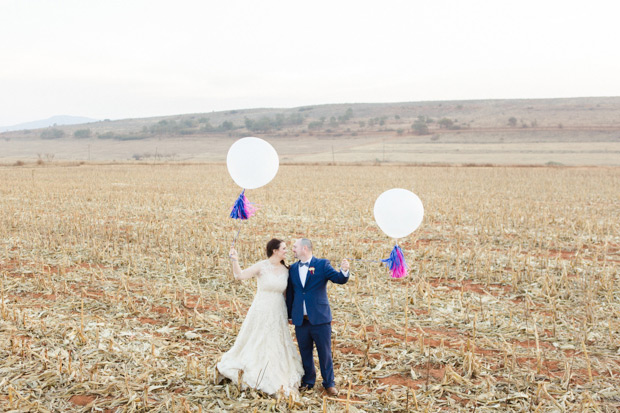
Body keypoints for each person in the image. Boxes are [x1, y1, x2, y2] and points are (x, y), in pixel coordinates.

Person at [216, 239, 303, 396]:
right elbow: (239, 276)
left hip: (278, 310)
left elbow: (286, 294)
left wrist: (290, 314)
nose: (286, 251)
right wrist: (235, 260)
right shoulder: (262, 266)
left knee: (276, 340)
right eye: (284, 248)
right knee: (258, 338)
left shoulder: (286, 270)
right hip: (261, 308)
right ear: (275, 251)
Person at [286, 238, 350, 396]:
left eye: (295, 247)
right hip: (301, 320)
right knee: (305, 352)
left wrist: (344, 270)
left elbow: (339, 279)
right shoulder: (293, 268)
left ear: (305, 248)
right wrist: (289, 315)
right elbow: (290, 294)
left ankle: (329, 383)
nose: (292, 249)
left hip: (320, 319)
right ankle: (308, 381)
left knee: (325, 353)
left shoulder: (322, 264)